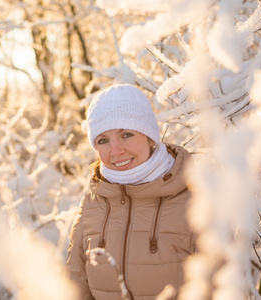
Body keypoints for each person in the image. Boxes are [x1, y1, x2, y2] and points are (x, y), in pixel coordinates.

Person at [66, 84, 195, 300]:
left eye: (126, 134)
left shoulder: (193, 198)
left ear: (149, 136)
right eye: (103, 140)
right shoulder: (92, 203)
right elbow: (76, 281)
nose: (115, 151)